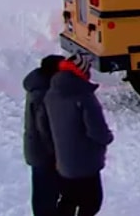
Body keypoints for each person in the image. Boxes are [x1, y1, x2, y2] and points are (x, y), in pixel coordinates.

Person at [45, 53, 114, 216]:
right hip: (86, 165)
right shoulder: (84, 97)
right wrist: (107, 138)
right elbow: (97, 131)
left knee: (68, 201)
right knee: (92, 203)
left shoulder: (51, 94)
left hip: (63, 163)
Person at [23, 54, 66, 216]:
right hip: (44, 154)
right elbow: (45, 128)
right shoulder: (44, 94)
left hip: (36, 151)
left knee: (43, 193)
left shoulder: (38, 86)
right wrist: (56, 155)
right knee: (46, 196)